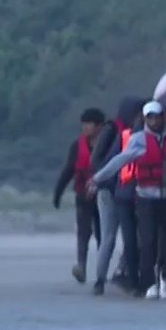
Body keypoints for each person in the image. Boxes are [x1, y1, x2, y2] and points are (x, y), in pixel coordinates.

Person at [90, 101, 166, 300]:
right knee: (148, 242)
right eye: (151, 117)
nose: (155, 121)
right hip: (146, 198)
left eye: (158, 117)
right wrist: (97, 178)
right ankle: (148, 283)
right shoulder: (138, 140)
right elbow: (119, 161)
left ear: (163, 117)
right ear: (145, 119)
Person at [90, 97, 146, 295]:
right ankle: (103, 279)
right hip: (111, 190)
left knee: (118, 237)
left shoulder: (126, 132)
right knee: (112, 236)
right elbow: (106, 161)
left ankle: (106, 279)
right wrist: (99, 180)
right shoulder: (119, 132)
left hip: (119, 189)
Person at [53, 108, 105, 286]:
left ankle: (101, 270)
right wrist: (58, 193)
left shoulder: (108, 143)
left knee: (102, 234)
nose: (85, 127)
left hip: (103, 196)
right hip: (83, 196)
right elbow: (68, 170)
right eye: (83, 124)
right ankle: (81, 267)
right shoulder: (77, 145)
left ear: (99, 126)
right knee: (83, 232)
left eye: (89, 124)